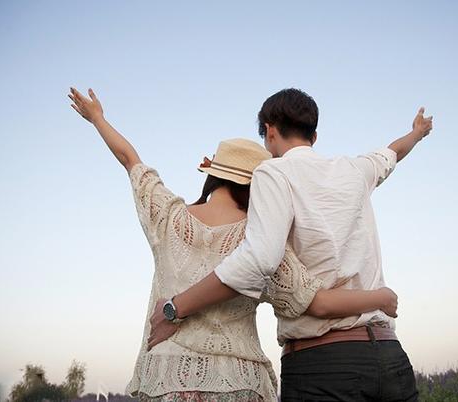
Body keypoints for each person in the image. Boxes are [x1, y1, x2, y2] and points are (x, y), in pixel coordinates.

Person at [67, 86, 400, 402]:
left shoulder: (167, 217)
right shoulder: (262, 239)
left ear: (212, 175)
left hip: (168, 377)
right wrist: (379, 298)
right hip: (243, 381)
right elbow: (318, 304)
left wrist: (97, 118)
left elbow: (130, 159)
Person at [148, 88, 433, 401]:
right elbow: (391, 154)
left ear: (270, 131)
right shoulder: (356, 169)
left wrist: (176, 308)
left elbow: (259, 260)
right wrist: (416, 133)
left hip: (323, 366)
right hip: (389, 356)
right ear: (314, 135)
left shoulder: (273, 171)